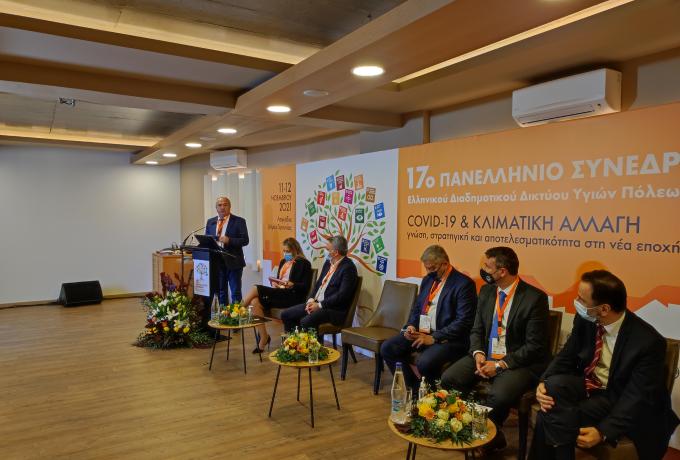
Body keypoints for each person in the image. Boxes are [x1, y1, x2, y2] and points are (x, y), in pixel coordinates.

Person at [529, 270, 679, 460]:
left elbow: (637, 396)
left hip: (622, 396)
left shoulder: (647, 341)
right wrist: (543, 382)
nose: (576, 302)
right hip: (592, 385)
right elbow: (567, 354)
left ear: (604, 309)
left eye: (581, 299)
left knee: (548, 416)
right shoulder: (586, 319)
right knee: (552, 386)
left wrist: (603, 432)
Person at [441, 246, 550, 453]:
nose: (483, 270)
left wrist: (499, 365)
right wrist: (478, 353)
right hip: (486, 354)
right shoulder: (486, 291)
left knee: (499, 396)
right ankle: (480, 429)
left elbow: (535, 346)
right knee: (449, 379)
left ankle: (483, 436)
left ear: (502, 271)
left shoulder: (534, 298)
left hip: (517, 362)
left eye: (487, 267)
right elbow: (476, 329)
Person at [381, 245, 477, 391]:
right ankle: (413, 388)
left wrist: (434, 338)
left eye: (432, 268)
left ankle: (431, 393)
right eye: (426, 268)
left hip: (448, 338)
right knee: (388, 348)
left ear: (445, 264)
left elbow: (463, 322)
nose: (428, 272)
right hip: (422, 331)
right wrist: (411, 326)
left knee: (425, 362)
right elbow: (417, 308)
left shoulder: (464, 284)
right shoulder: (428, 280)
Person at [241, 237, 312, 352]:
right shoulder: (283, 262)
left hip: (292, 296)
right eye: (284, 251)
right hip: (281, 292)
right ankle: (264, 337)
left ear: (295, 250)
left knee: (256, 288)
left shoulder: (304, 263)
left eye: (287, 251)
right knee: (254, 302)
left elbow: (305, 286)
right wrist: (275, 283)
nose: (285, 253)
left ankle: (237, 310)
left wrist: (293, 284)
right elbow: (280, 279)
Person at [281, 235, 358, 333]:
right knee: (286, 315)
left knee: (306, 321)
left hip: (333, 310)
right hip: (316, 303)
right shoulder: (328, 263)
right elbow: (318, 284)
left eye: (327, 249)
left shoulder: (348, 268)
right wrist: (311, 299)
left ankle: (311, 343)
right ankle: (295, 341)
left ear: (335, 252)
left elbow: (342, 295)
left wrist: (320, 305)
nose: (325, 251)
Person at [204, 196, 249, 305]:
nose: (222, 207)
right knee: (221, 292)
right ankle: (223, 314)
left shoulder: (239, 221)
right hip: (217, 262)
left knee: (235, 292)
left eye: (225, 204)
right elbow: (207, 240)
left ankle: (236, 314)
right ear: (216, 208)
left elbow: (245, 240)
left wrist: (229, 240)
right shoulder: (211, 222)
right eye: (219, 205)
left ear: (230, 206)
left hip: (234, 262)